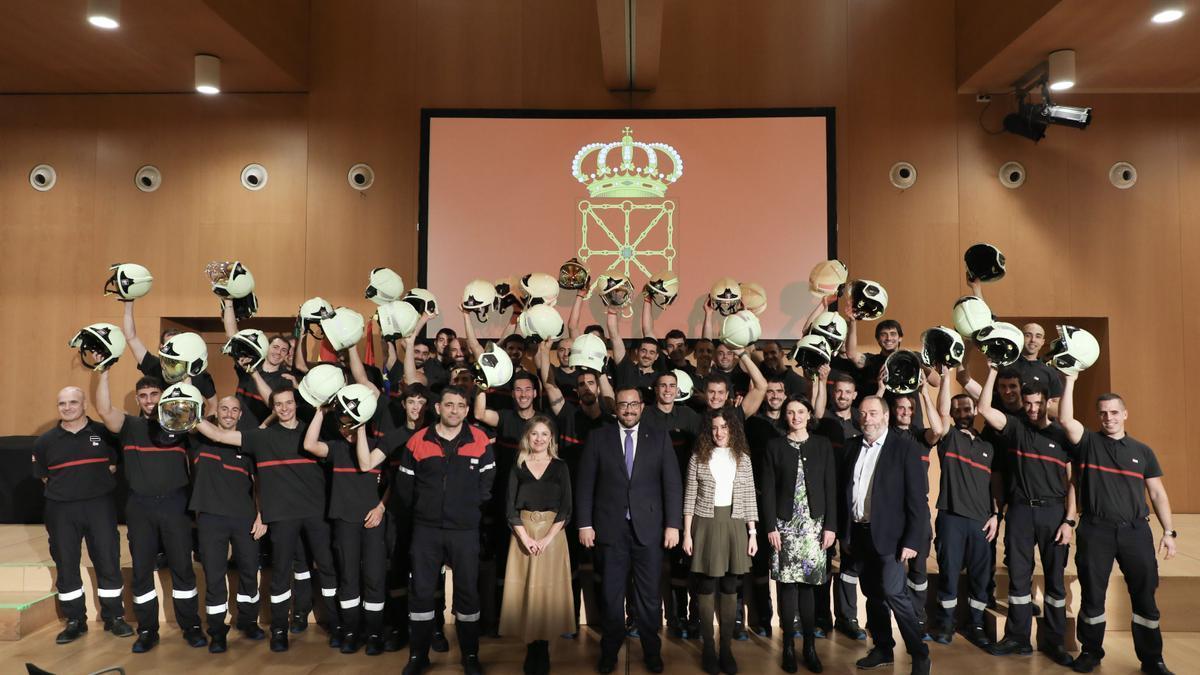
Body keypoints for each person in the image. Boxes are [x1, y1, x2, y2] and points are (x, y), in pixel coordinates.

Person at [195, 387, 340, 653]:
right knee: (281, 574)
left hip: (316, 514)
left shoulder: (313, 432)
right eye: (278, 405)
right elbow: (216, 433)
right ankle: (279, 631)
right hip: (282, 517)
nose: (284, 408)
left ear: (296, 405)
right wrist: (187, 413)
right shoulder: (260, 438)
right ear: (273, 409)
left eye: (288, 403)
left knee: (327, 568)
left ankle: (336, 625)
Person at [1058, 374, 1177, 675]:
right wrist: (1069, 380)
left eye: (1114, 412)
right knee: (1093, 595)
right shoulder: (1086, 443)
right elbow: (1066, 419)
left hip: (1135, 531)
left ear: (1125, 414)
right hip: (1096, 530)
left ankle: (1152, 660)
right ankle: (1091, 652)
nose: (1108, 418)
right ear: (1098, 416)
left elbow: (1158, 493)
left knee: (1144, 596)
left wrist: (1169, 532)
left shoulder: (1142, 451)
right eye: (1103, 413)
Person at [95, 370, 204, 652]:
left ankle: (190, 626)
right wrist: (106, 371)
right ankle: (147, 630)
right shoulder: (129, 425)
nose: (148, 400)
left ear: (163, 396)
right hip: (140, 506)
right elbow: (104, 409)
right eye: (143, 396)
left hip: (175, 504)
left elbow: (201, 409)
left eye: (154, 394)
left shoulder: (181, 425)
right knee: (142, 570)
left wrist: (187, 382)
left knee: (182, 568)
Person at [576, 387, 682, 674]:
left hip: (649, 531)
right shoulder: (599, 438)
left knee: (648, 597)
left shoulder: (659, 438)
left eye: (634, 404)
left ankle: (651, 651)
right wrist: (585, 523)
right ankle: (609, 651)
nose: (629, 409)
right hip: (610, 530)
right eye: (623, 405)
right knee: (611, 595)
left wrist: (673, 525)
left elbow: (672, 485)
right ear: (616, 409)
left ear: (642, 407)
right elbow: (585, 484)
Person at [977, 366, 1076, 666]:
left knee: (1055, 583)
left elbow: (1074, 483)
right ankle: (1018, 638)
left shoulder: (1062, 435)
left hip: (1053, 512)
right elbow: (984, 408)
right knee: (1019, 580)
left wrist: (1069, 521)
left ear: (1048, 403)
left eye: (1038, 404)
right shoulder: (1015, 428)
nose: (1032, 409)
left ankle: (1054, 641)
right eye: (1028, 403)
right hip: (1020, 511)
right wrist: (992, 371)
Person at [395, 386, 495, 675]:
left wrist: (469, 508)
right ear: (437, 408)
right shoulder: (418, 441)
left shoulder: (480, 440)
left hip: (465, 531)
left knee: (467, 595)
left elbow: (487, 485)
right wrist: (424, 512)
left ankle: (471, 656)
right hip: (426, 531)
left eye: (461, 405)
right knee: (422, 594)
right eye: (449, 404)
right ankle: (418, 656)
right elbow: (405, 491)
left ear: (467, 410)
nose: (455, 410)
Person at [33, 386, 133, 644]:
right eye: (62, 404)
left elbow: (112, 466)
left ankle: (114, 617)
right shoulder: (44, 442)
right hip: (61, 509)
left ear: (84, 404)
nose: (67, 408)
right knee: (66, 564)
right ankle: (75, 620)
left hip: (99, 506)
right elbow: (45, 477)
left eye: (73, 402)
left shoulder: (103, 433)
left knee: (108, 560)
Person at [839, 396, 931, 675]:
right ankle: (882, 648)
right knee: (872, 593)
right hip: (860, 534)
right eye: (863, 413)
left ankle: (919, 653)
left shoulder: (905, 448)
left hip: (893, 538)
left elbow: (918, 500)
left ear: (886, 416)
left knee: (894, 592)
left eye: (873, 413)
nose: (867, 418)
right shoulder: (851, 447)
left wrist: (913, 541)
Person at [761, 396, 837, 674]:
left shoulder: (822, 445)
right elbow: (767, 490)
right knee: (786, 587)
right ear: (785, 416)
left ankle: (809, 646)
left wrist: (831, 527)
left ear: (808, 415)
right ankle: (788, 648)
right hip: (784, 526)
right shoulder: (774, 446)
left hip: (814, 527)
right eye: (790, 412)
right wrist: (770, 526)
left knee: (809, 587)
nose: (795, 416)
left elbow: (831, 487)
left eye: (801, 411)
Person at [304, 404, 388, 655]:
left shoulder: (377, 448)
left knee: (374, 577)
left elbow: (393, 484)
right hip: (344, 522)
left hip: (373, 522)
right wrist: (321, 411)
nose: (346, 429)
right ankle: (351, 631)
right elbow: (309, 444)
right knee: (349, 578)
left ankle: (374, 633)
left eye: (352, 423)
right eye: (342, 424)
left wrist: (381, 508)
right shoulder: (336, 448)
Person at [924, 369, 998, 649]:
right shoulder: (948, 438)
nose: (963, 412)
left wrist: (995, 515)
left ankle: (976, 624)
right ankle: (945, 623)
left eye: (967, 407)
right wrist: (946, 377)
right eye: (958, 409)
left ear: (975, 410)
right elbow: (941, 412)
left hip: (981, 521)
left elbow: (995, 485)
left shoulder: (989, 443)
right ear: (953, 415)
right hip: (951, 518)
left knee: (980, 576)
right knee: (949, 573)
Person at [682, 407, 759, 675]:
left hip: (735, 525)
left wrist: (752, 533)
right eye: (714, 428)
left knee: (729, 586)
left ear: (733, 430)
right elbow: (689, 497)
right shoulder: (697, 457)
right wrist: (686, 533)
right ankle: (708, 649)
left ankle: (725, 649)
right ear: (708, 431)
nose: (719, 433)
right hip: (705, 524)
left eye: (724, 427)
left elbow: (749, 496)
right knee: (706, 586)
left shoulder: (744, 458)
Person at [189, 395, 268, 652]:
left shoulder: (248, 445)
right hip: (211, 518)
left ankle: (248, 622)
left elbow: (259, 486)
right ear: (216, 412)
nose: (229, 413)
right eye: (224, 408)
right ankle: (216, 631)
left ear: (240, 415)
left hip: (244, 518)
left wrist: (261, 515)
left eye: (235, 410)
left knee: (248, 572)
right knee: (214, 576)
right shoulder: (199, 440)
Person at [499, 416, 575, 675]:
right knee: (527, 593)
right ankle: (531, 647)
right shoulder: (517, 466)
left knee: (547, 594)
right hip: (524, 533)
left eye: (544, 434)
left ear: (551, 438)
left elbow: (566, 509)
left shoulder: (560, 467)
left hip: (552, 536)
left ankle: (543, 648)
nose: (539, 439)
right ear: (527, 437)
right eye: (535, 434)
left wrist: (545, 539)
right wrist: (526, 538)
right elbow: (509, 507)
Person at [642, 370, 702, 640]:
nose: (667, 390)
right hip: (651, 496)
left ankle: (684, 618)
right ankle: (648, 616)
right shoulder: (645, 416)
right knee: (651, 560)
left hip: (686, 496)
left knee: (683, 561)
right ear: (655, 389)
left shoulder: (690, 416)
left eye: (672, 386)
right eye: (663, 385)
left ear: (678, 390)